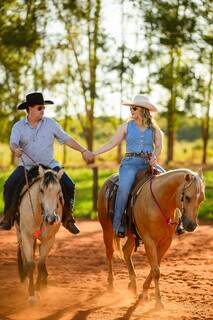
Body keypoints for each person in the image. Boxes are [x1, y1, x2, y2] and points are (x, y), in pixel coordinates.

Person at [0, 92, 94, 234]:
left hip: (50, 165)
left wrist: (83, 150)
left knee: (69, 184)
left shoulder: (51, 124)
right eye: (39, 108)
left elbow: (67, 138)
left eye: (43, 108)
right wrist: (15, 150)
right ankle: (8, 217)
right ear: (29, 109)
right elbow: (13, 143)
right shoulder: (18, 126)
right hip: (27, 166)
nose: (43, 111)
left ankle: (68, 218)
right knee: (9, 184)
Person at [94, 95, 165, 237]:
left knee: (170, 182)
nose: (131, 111)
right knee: (124, 188)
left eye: (134, 108)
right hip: (130, 164)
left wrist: (154, 156)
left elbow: (159, 146)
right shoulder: (126, 126)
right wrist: (94, 153)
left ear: (143, 110)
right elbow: (111, 143)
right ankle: (118, 223)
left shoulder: (155, 129)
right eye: (131, 108)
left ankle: (177, 221)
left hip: (148, 163)